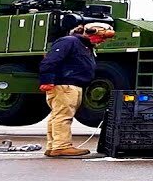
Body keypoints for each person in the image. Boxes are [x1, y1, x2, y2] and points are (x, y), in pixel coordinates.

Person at [38, 22, 116, 158]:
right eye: (101, 37)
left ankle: (53, 146)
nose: (102, 40)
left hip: (69, 85)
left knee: (58, 115)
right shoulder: (70, 42)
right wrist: (47, 80)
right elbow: (50, 60)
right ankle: (61, 146)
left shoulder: (82, 45)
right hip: (66, 85)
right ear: (91, 32)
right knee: (63, 115)